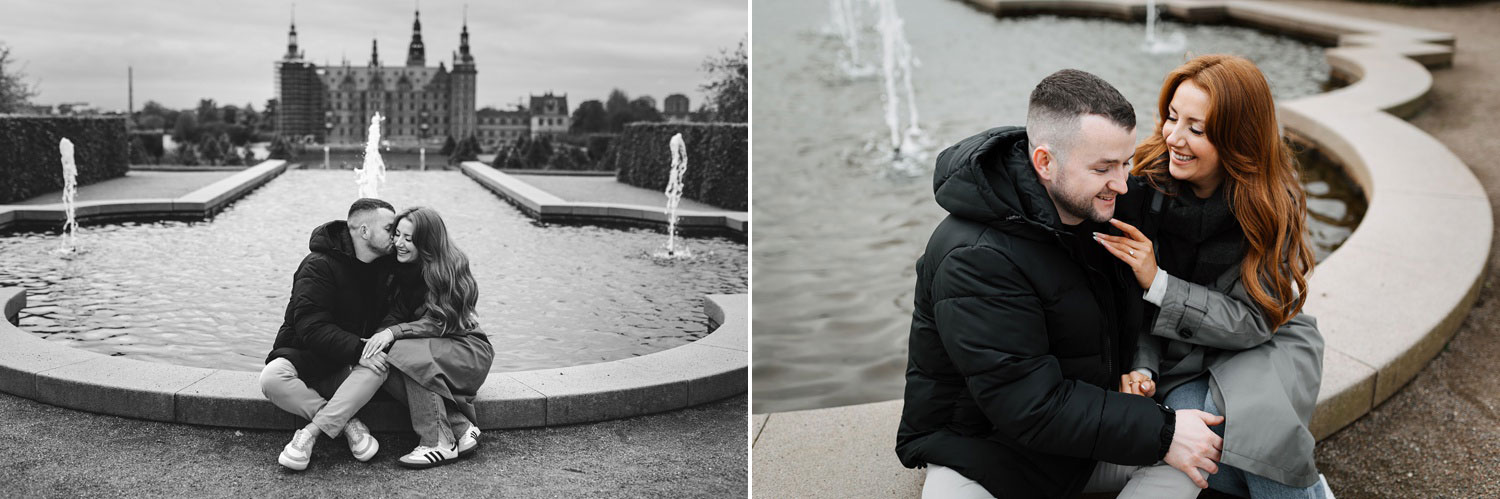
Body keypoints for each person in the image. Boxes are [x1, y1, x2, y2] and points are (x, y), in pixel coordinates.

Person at [896, 69, 1225, 498]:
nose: (1123, 183)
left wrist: (1138, 373)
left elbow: (1207, 207)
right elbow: (1029, 406)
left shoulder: (1096, 203)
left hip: (1082, 445)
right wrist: (1163, 432)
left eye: (1125, 163)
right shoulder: (975, 257)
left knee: (1197, 456)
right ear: (1045, 162)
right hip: (990, 455)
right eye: (1105, 168)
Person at [1096, 54, 1332, 497]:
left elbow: (1255, 320)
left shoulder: (1269, 203)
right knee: (1210, 440)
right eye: (1171, 117)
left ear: (1237, 140)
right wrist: (1142, 365)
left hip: (1261, 340)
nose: (1174, 138)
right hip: (1180, 359)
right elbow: (1131, 304)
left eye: (1197, 129)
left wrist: (1160, 283)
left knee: (1262, 431)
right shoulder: (1144, 186)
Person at [260, 198, 398, 471]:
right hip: (308, 356)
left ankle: (310, 433)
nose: (395, 236)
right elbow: (311, 327)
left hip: (348, 366)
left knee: (380, 364)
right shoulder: (318, 265)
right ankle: (348, 424)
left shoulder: (388, 268)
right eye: (389, 228)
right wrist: (358, 350)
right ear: (364, 231)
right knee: (271, 378)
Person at [360, 206, 494, 469]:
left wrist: (393, 333)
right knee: (381, 357)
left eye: (408, 239)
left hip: (466, 349)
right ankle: (459, 424)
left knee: (402, 352)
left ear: (426, 242)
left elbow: (441, 322)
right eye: (396, 234)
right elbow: (397, 314)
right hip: (433, 351)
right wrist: (373, 340)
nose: (398, 243)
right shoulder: (405, 270)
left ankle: (437, 442)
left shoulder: (451, 268)